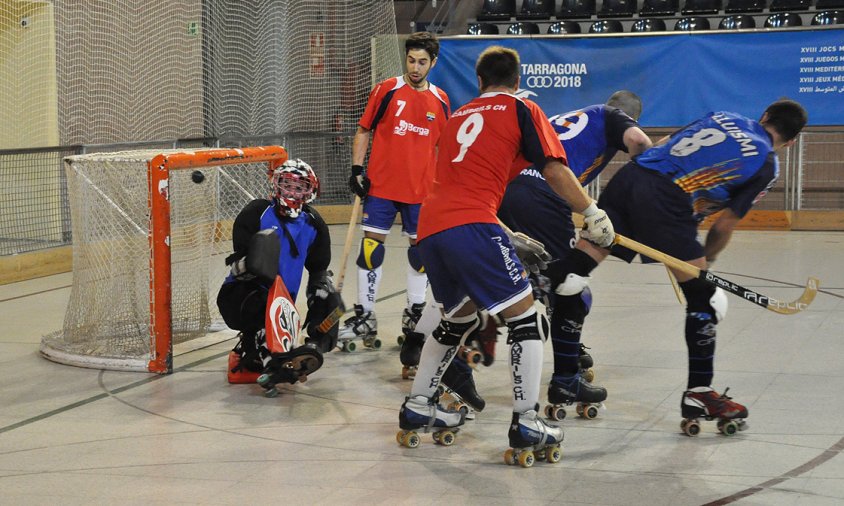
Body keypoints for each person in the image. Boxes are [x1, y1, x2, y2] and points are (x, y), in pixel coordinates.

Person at [395, 46, 616, 460]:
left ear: (478, 82)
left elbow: (461, 184)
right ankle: (527, 422)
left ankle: (418, 408)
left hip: (431, 227)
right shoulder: (522, 108)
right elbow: (553, 168)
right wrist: (591, 211)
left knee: (456, 319)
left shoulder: (457, 116)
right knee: (526, 316)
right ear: (517, 81)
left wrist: (507, 231)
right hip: (472, 225)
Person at [552, 99, 807, 433]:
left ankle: (564, 379)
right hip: (670, 199)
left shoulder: (724, 116)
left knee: (572, 274)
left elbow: (664, 143)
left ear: (764, 116)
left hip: (632, 177)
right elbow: (724, 225)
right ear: (790, 142)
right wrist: (705, 265)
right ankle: (699, 393)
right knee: (706, 301)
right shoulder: (766, 164)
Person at [497, 91, 653, 418]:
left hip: (508, 192)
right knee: (573, 288)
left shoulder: (576, 117)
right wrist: (651, 181)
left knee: (528, 280)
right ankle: (567, 377)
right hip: (542, 196)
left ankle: (457, 350)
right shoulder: (612, 116)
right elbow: (638, 141)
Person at [341, 32, 451, 354]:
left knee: (420, 254)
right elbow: (364, 130)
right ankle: (365, 315)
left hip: (421, 192)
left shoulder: (441, 100)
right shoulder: (386, 90)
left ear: (433, 62)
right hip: (382, 187)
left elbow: (443, 148)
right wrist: (356, 170)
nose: (415, 68)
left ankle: (415, 313)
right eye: (411, 60)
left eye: (422, 62)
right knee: (371, 249)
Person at [217, 159, 341, 387]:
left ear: (310, 191)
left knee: (329, 299)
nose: (292, 192)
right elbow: (237, 264)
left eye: (299, 187)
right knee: (262, 301)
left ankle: (309, 349)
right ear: (277, 185)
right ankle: (263, 351)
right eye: (287, 185)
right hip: (241, 296)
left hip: (282, 307)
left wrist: (322, 298)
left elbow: (318, 272)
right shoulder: (256, 212)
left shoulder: (314, 224)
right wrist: (253, 263)